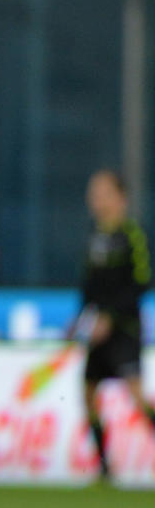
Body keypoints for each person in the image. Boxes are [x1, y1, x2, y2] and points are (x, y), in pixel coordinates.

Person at [79, 169, 155, 478]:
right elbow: (89, 285)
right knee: (87, 394)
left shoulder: (132, 235)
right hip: (98, 331)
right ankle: (104, 467)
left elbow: (141, 282)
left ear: (120, 198)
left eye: (102, 192)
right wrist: (82, 317)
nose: (95, 199)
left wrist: (110, 316)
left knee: (136, 397)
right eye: (93, 193)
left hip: (124, 329)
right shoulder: (95, 237)